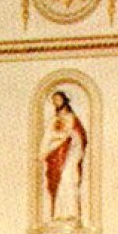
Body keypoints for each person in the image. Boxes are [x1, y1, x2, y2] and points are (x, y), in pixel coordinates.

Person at [40, 90, 87, 223]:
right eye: (54, 101)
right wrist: (43, 151)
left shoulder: (72, 118)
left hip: (71, 153)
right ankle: (59, 213)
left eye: (58, 99)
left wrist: (70, 135)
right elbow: (47, 137)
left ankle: (72, 213)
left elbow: (81, 137)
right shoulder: (53, 120)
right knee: (58, 181)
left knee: (68, 177)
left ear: (64, 100)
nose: (56, 102)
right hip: (56, 155)